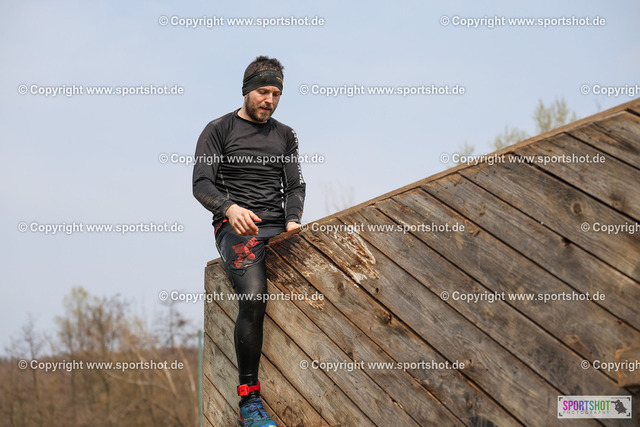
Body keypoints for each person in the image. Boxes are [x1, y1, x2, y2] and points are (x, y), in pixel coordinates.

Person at [193, 56, 305, 427]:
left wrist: (293, 220)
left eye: (276, 93)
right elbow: (201, 183)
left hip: (280, 227)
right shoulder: (218, 130)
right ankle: (249, 401)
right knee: (254, 296)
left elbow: (295, 185)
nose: (269, 100)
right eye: (263, 91)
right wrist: (229, 209)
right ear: (246, 90)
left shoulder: (286, 135)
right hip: (236, 229)